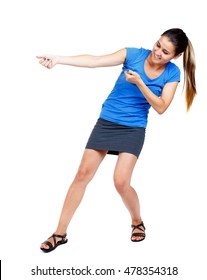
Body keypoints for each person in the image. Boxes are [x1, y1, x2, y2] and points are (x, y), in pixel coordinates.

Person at [37, 28, 196, 253]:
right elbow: (95, 61)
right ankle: (60, 233)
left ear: (176, 56)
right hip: (108, 120)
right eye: (158, 45)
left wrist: (140, 82)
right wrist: (59, 59)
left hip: (133, 128)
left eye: (165, 52)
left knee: (121, 182)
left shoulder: (172, 74)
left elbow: (161, 107)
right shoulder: (133, 54)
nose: (157, 52)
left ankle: (136, 221)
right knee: (82, 175)